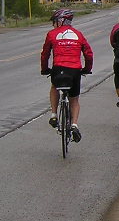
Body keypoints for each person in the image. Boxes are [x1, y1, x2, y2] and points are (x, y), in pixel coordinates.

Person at [40, 8, 93, 142]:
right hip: (75, 70)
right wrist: (87, 69)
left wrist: (45, 69)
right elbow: (88, 54)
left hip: (58, 68)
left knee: (54, 87)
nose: (53, 24)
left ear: (60, 21)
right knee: (74, 100)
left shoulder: (52, 34)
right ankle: (74, 125)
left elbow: (45, 54)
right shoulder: (78, 34)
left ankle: (53, 114)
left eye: (54, 21)